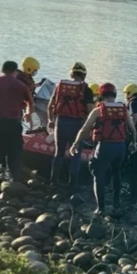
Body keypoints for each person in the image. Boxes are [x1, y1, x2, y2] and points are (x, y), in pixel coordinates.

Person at [70, 83, 137, 216]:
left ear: (101, 95)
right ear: (114, 94)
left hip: (105, 147)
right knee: (116, 172)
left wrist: (75, 143)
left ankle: (100, 208)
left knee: (98, 174)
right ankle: (116, 203)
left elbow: (85, 129)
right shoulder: (123, 109)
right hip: (121, 147)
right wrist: (134, 143)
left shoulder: (98, 110)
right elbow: (132, 129)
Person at [47, 62, 94, 190]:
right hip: (76, 125)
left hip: (60, 122)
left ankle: (53, 182)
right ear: (84, 75)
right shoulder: (86, 90)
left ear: (71, 73)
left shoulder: (60, 87)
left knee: (59, 153)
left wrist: (50, 120)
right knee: (76, 155)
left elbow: (50, 105)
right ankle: (72, 185)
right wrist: (90, 128)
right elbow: (90, 111)